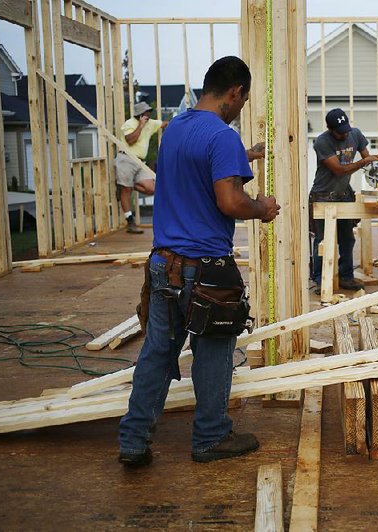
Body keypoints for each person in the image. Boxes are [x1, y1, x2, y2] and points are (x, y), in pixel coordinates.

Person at [118, 56, 280, 467]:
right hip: (205, 269)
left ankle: (134, 442)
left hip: (163, 263)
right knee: (212, 352)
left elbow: (197, 163)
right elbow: (230, 200)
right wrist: (262, 208)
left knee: (157, 352)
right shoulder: (222, 136)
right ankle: (210, 438)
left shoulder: (174, 129)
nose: (240, 107)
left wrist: (246, 155)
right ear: (235, 93)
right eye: (242, 100)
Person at [310, 108, 378, 294]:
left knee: (347, 239)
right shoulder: (322, 142)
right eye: (340, 131)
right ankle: (319, 279)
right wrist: (362, 163)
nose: (344, 134)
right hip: (323, 196)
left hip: (344, 194)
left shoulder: (355, 134)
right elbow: (339, 170)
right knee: (323, 241)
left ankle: (346, 276)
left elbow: (368, 160)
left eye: (346, 130)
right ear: (330, 129)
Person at [115, 101, 167, 233]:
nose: (148, 114)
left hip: (139, 162)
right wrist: (141, 126)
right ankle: (130, 221)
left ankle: (123, 186)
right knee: (126, 190)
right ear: (139, 115)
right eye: (146, 113)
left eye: (149, 112)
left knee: (151, 188)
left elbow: (164, 124)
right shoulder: (129, 124)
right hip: (126, 158)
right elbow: (130, 140)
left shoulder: (151, 123)